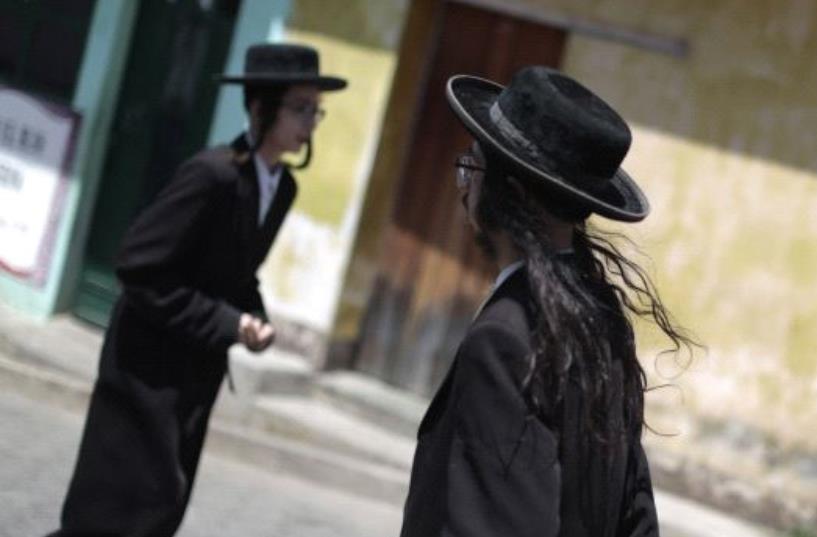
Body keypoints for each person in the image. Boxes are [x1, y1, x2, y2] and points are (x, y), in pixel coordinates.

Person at [48, 43, 346, 537]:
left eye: (317, 110)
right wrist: (229, 323)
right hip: (143, 370)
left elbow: (237, 271)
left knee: (160, 510)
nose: (311, 121)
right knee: (110, 516)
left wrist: (255, 316)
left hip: (194, 372)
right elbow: (138, 266)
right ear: (259, 107)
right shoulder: (212, 174)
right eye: (300, 108)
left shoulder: (281, 186)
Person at [399, 66, 696, 536]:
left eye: (471, 167)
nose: (462, 184)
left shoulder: (504, 339)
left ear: (509, 191)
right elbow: (637, 514)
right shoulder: (599, 319)